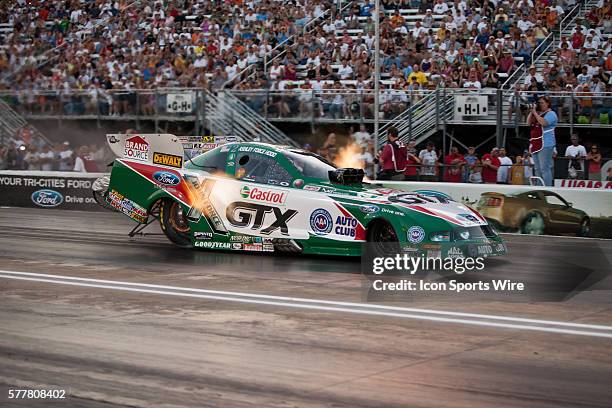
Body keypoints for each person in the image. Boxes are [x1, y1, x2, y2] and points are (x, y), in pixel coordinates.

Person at [528, 96, 558, 186]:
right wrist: (531, 112)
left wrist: (535, 114)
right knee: (537, 168)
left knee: (545, 168)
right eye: (539, 103)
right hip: (535, 143)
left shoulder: (551, 114)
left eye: (542, 103)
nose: (540, 105)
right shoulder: (539, 114)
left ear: (547, 103)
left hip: (546, 143)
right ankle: (539, 187)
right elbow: (528, 123)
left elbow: (544, 123)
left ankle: (548, 187)